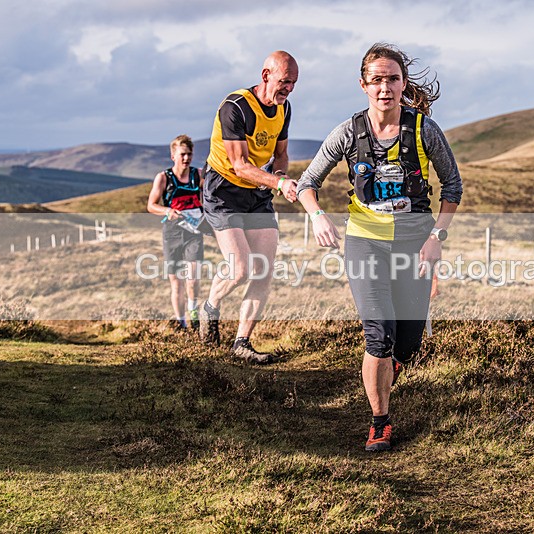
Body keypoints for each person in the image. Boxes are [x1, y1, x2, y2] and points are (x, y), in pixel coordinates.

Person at [297, 43, 462, 451]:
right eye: (376, 80)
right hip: (366, 243)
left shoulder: (423, 130)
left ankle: (389, 368)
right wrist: (318, 215)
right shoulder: (348, 132)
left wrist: (436, 237)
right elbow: (306, 183)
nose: (384, 87)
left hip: (413, 243)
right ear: (363, 85)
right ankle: (379, 422)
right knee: (378, 334)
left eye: (392, 79)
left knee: (407, 344)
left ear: (403, 83)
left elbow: (453, 186)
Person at [199, 50, 299, 364]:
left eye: (294, 83)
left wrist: (279, 174)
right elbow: (240, 165)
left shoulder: (284, 109)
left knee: (264, 270)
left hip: (256, 193)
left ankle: (242, 343)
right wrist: (279, 184)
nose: (288, 89)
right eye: (284, 81)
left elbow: (281, 154)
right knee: (239, 269)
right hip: (224, 190)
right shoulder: (236, 107)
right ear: (265, 75)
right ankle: (211, 304)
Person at [146, 134, 205, 331]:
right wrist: (168, 211)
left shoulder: (198, 175)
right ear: (173, 156)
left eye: (189, 154)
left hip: (194, 231)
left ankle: (193, 310)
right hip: (172, 232)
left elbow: (210, 196)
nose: (186, 158)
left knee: (193, 277)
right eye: (182, 154)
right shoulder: (163, 178)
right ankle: (181, 322)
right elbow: (151, 206)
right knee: (176, 282)